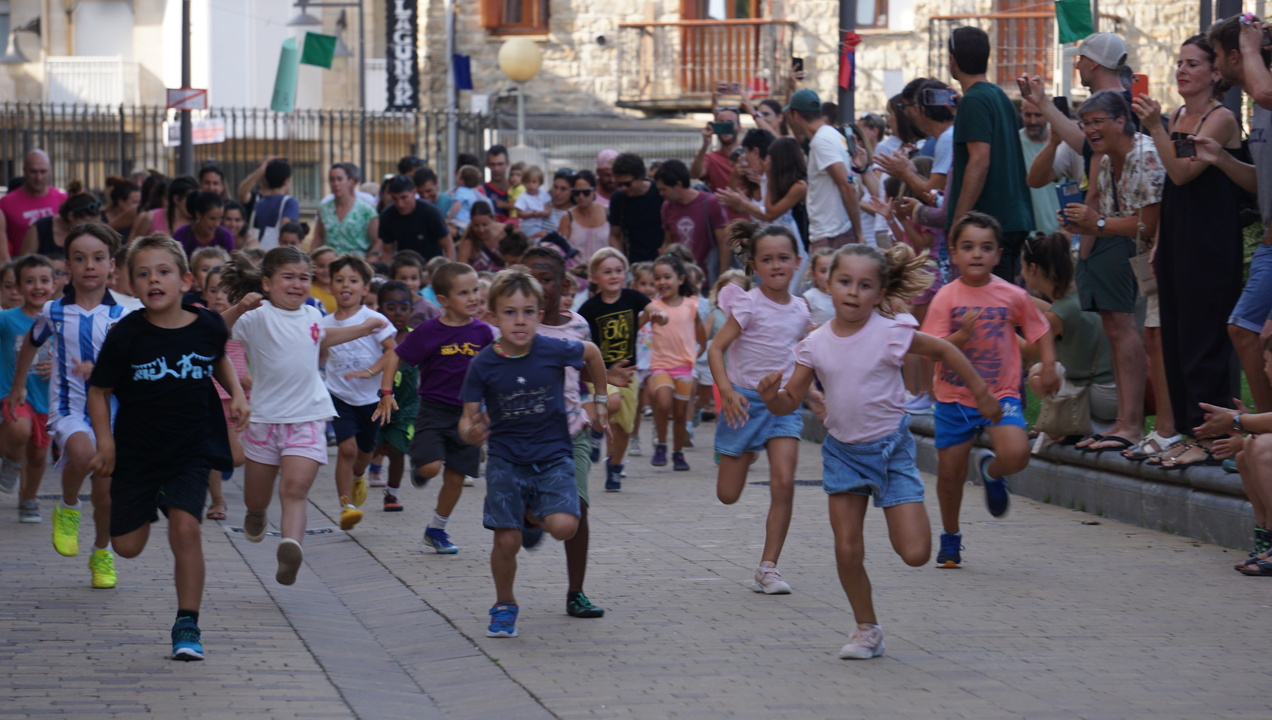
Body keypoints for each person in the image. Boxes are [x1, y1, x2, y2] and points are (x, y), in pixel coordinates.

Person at [758, 242, 998, 659]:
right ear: (828, 285)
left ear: (880, 292)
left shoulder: (890, 332)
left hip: (891, 452)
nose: (853, 292)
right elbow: (790, 400)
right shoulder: (814, 344)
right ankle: (866, 629)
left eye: (864, 285)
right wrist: (769, 398)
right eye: (844, 281)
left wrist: (980, 392)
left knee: (915, 553)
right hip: (843, 455)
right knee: (847, 547)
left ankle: (900, 513)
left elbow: (944, 349)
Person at [86, 233, 248, 661]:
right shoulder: (126, 335)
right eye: (143, 274)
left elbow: (217, 356)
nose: (153, 280)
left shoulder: (208, 324)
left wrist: (237, 394)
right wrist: (105, 442)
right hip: (137, 451)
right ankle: (144, 501)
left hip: (190, 448)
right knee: (127, 547)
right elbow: (99, 390)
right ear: (131, 285)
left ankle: (187, 624)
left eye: (163, 272)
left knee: (186, 527)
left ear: (185, 280)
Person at [219, 247, 386, 585]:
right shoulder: (256, 316)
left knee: (295, 489)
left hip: (308, 416)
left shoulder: (312, 313)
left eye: (304, 278)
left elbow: (324, 336)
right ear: (267, 282)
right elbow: (212, 331)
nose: (298, 284)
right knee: (256, 498)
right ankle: (256, 514)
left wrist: (364, 328)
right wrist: (238, 308)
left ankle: (290, 546)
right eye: (288, 277)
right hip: (264, 420)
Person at [458, 266, 609, 639]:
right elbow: (467, 418)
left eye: (528, 312)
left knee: (565, 526)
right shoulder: (482, 364)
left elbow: (592, 353)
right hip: (505, 460)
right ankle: (504, 604)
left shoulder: (553, 349)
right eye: (510, 312)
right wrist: (471, 432)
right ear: (493, 316)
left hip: (554, 455)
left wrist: (602, 400)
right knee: (506, 541)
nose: (520, 321)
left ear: (539, 316)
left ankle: (531, 516)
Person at [1129, 35, 1245, 467]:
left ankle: (1212, 437)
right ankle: (1186, 431)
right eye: (1179, 62)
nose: (1182, 70)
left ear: (1215, 74)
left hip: (1210, 242)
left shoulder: (1221, 118)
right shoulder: (1177, 115)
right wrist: (1160, 243)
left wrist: (1155, 127)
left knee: (1203, 340)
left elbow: (1181, 174)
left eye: (1193, 64)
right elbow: (1170, 190)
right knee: (1176, 339)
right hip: (1177, 238)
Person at [922, 212, 1057, 568]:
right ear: (953, 253)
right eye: (968, 247)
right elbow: (930, 349)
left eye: (986, 247)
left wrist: (1048, 365)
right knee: (950, 474)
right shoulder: (946, 297)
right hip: (954, 399)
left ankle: (992, 472)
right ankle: (950, 537)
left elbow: (1040, 328)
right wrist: (961, 336)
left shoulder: (1012, 295)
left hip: (1001, 393)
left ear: (998, 254)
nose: (977, 254)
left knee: (1017, 454)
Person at [6, 222, 132, 588]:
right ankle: (69, 506)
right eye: (80, 258)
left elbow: (137, 361)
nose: (89, 265)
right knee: (83, 454)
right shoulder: (54, 311)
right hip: (68, 408)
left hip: (114, 414)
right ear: (68, 266)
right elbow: (31, 343)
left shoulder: (126, 315)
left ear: (111, 265)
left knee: (106, 496)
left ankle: (102, 552)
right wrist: (18, 386)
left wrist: (105, 370)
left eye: (98, 258)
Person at [707, 220, 808, 593]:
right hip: (744, 403)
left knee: (784, 482)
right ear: (754, 264)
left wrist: (816, 395)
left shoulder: (802, 310)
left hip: (782, 404)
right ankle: (747, 451)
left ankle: (768, 567)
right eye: (767, 259)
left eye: (783, 258)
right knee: (727, 494)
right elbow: (716, 348)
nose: (776, 265)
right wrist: (726, 391)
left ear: (797, 262)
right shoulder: (749, 303)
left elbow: (804, 358)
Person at [366, 262, 492, 554]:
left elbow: (495, 368)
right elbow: (395, 356)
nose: (473, 297)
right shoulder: (429, 331)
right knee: (431, 468)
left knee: (456, 477)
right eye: (464, 293)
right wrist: (386, 393)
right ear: (444, 300)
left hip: (469, 414)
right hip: (434, 410)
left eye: (475, 290)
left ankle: (436, 529)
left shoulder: (484, 332)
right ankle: (421, 467)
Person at [1060, 90, 1161, 454]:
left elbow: (1150, 224)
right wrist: (1083, 227)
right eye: (1085, 123)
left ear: (1121, 121)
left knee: (1145, 336)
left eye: (1097, 121)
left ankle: (1149, 428)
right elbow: (1111, 218)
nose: (1089, 130)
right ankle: (1125, 422)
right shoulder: (1105, 162)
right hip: (1139, 254)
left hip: (1166, 257)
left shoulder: (1145, 155)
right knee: (1118, 329)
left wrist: (1097, 223)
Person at [524, 246, 607, 618]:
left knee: (579, 509)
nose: (539, 288)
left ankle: (577, 592)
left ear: (564, 284)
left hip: (572, 431)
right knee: (535, 510)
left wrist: (603, 394)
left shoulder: (578, 326)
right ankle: (530, 518)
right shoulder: (516, 325)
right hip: (526, 436)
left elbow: (585, 368)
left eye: (546, 279)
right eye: (531, 280)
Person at [1207, 16, 1272, 420]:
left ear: (1235, 56)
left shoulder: (1266, 93)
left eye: (1215, 56)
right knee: (1247, 332)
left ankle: (1263, 430)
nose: (1214, 67)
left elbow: (1263, 89)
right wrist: (1220, 159)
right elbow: (1262, 181)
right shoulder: (1259, 107)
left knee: (1247, 331)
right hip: (1267, 241)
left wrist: (1250, 42)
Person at [945, 26, 1035, 279]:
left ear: (952, 60)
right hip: (1009, 220)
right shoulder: (998, 96)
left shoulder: (974, 100)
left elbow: (979, 161)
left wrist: (959, 222)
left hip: (987, 229)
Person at [318, 254, 397, 530]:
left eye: (353, 280)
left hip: (370, 399)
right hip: (339, 395)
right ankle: (346, 507)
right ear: (330, 285)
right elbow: (318, 355)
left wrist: (371, 372)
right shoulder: (324, 323)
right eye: (339, 280)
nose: (345, 285)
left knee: (364, 454)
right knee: (346, 449)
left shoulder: (374, 319)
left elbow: (393, 352)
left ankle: (358, 477)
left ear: (365, 288)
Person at [579, 247, 664, 490]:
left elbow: (653, 310)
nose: (614, 275)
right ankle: (596, 434)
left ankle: (614, 468)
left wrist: (660, 316)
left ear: (625, 273)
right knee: (612, 402)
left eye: (618, 270)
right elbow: (579, 335)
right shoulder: (589, 308)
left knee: (624, 429)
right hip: (600, 373)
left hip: (628, 374)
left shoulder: (633, 297)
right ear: (594, 277)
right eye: (607, 272)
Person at [1020, 232, 1118, 441]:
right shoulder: (1078, 293)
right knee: (1042, 370)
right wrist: (1019, 299)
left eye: (1022, 267)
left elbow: (1029, 349)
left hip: (1103, 398)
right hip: (1116, 390)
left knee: (1036, 375)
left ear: (1033, 268)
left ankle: (1068, 427)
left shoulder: (1058, 315)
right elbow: (1057, 312)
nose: (1021, 273)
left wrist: (999, 326)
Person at [0, 254, 55, 522]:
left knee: (39, 455)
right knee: (19, 429)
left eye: (44, 280)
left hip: (47, 399)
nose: (37, 287)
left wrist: (58, 364)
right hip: (13, 393)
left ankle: (29, 499)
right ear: (19, 287)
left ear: (54, 284)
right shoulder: (7, 320)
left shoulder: (61, 320)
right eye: (30, 281)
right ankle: (12, 458)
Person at [783, 89, 864, 249]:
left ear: (796, 115)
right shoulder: (831, 135)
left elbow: (847, 186)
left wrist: (859, 233)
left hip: (830, 237)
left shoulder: (822, 141)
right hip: (835, 233)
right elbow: (854, 185)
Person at [646, 254, 705, 471]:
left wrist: (698, 352)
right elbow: (636, 325)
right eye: (657, 278)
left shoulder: (691, 305)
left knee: (680, 414)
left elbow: (700, 334)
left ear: (680, 279)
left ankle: (677, 452)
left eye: (667, 277)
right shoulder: (653, 306)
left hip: (684, 368)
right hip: (660, 365)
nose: (662, 282)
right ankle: (661, 444)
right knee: (663, 402)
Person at [200, 265, 249, 522]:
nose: (219, 296)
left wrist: (251, 379)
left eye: (226, 291)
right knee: (214, 453)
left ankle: (214, 464)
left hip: (237, 399)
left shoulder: (244, 324)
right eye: (213, 290)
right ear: (204, 293)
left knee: (237, 457)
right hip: (208, 398)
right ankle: (218, 501)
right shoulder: (199, 320)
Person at [364, 281, 415, 511]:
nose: (398, 313)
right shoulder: (373, 339)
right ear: (379, 310)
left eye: (403, 308)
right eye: (391, 307)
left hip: (405, 407)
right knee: (368, 449)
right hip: (373, 404)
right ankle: (361, 475)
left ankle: (392, 494)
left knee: (397, 450)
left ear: (411, 310)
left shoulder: (417, 339)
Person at [654, 160, 730, 279]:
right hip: (679, 278)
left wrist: (722, 278)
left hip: (706, 276)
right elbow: (668, 241)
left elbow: (724, 244)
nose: (661, 193)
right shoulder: (667, 207)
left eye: (664, 189)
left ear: (678, 185)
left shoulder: (710, 203)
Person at [1020, 102, 1085, 235]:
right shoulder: (1015, 142)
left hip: (1060, 231)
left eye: (1038, 115)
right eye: (1027, 115)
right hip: (1026, 232)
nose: (1033, 121)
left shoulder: (1066, 144)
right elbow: (1033, 181)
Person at [0, 150, 67, 263]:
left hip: (59, 267)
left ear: (50, 170)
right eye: (33, 171)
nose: (38, 177)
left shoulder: (63, 199)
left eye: (43, 172)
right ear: (24, 170)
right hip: (22, 265)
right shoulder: (6, 203)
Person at [375, 175, 454, 262]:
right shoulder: (387, 215)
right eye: (395, 199)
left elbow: (448, 246)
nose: (400, 204)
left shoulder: (430, 212)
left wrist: (448, 268)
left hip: (430, 263)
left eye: (404, 197)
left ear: (413, 193)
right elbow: (387, 251)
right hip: (404, 264)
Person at [607, 153, 665, 263]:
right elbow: (614, 235)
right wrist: (621, 260)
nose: (623, 188)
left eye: (627, 184)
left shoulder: (659, 193)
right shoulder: (618, 198)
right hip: (633, 262)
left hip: (660, 260)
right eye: (619, 184)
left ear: (640, 176)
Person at [313, 163, 378, 257]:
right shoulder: (324, 208)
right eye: (332, 179)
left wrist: (370, 259)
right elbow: (318, 237)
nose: (336, 184)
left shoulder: (366, 211)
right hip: (329, 261)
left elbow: (377, 241)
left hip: (356, 261)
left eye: (340, 179)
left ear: (349, 181)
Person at [22, 188, 103, 257]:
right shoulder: (40, 228)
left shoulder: (92, 232)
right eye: (87, 222)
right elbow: (26, 261)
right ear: (71, 216)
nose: (90, 228)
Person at [557, 170, 612, 265]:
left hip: (605, 268)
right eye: (576, 193)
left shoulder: (608, 212)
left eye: (586, 192)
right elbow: (561, 250)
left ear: (594, 190)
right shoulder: (567, 218)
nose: (581, 196)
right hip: (576, 270)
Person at [690, 106, 743, 192]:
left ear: (739, 128)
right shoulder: (711, 158)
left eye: (729, 123)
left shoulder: (748, 156)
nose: (725, 128)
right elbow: (694, 174)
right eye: (721, 124)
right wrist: (705, 145)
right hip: (720, 200)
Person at [249, 159, 300, 246]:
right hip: (277, 251)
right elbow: (286, 229)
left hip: (260, 249)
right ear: (286, 181)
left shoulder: (259, 203)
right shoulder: (290, 202)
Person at [133, 175, 197, 240]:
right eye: (190, 199)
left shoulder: (197, 222)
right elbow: (136, 244)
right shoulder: (152, 217)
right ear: (176, 199)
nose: (194, 203)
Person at [174, 191, 233, 258]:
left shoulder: (225, 236)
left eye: (220, 218)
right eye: (212, 218)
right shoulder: (181, 235)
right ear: (198, 215)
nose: (217, 224)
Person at [513, 166, 551, 239]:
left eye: (534, 182)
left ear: (540, 182)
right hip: (528, 226)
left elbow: (548, 209)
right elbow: (519, 213)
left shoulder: (543, 194)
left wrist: (542, 213)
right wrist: (531, 214)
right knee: (543, 237)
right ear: (523, 183)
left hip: (540, 225)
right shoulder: (523, 197)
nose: (530, 185)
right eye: (527, 182)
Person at [480, 144, 513, 218]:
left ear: (508, 164)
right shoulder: (481, 192)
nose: (496, 169)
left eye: (500, 164)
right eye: (492, 164)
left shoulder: (520, 189)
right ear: (487, 165)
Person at [450, 165, 484, 231]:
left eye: (458, 175)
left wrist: (449, 217)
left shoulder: (461, 190)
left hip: (458, 221)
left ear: (462, 180)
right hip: (468, 222)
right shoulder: (472, 193)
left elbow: (457, 204)